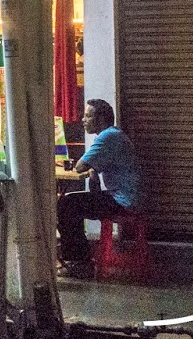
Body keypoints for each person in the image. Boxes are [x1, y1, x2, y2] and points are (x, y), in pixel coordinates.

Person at [57, 98, 142, 276]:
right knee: (71, 202)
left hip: (123, 200)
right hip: (124, 197)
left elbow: (80, 166)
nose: (83, 120)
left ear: (101, 119)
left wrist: (90, 168)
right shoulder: (113, 135)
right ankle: (79, 258)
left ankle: (79, 263)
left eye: (88, 116)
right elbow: (93, 174)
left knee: (67, 204)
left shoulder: (108, 137)